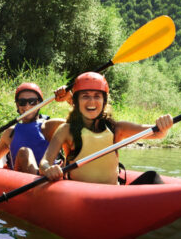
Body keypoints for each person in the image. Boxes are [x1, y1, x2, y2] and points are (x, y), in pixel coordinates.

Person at [39, 72, 173, 185]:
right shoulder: (66, 130)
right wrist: (48, 169)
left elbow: (157, 134)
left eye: (97, 96)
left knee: (152, 177)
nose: (92, 101)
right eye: (85, 96)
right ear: (76, 101)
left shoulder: (117, 129)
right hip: (81, 195)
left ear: (104, 101)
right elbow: (44, 162)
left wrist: (163, 125)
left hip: (112, 195)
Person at [0, 82, 65, 173]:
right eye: (22, 102)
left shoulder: (49, 126)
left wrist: (70, 99)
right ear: (17, 105)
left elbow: (77, 125)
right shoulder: (10, 133)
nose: (27, 106)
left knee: (24, 152)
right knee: (24, 153)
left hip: (50, 177)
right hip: (21, 180)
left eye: (32, 102)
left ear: (40, 103)